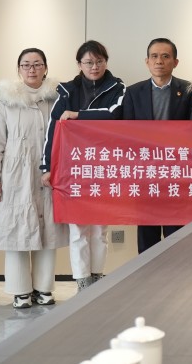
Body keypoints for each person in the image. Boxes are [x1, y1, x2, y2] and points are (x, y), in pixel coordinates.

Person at [0, 48, 68, 308]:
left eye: (37, 64)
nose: (32, 69)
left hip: (49, 174)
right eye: (26, 65)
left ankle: (43, 288)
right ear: (19, 69)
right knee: (17, 231)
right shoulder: (7, 100)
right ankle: (20, 291)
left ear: (45, 67)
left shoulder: (57, 98)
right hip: (16, 175)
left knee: (48, 230)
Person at [41, 40, 125, 291]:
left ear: (106, 62)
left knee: (100, 228)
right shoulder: (67, 90)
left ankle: (97, 277)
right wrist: (47, 166)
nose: (94, 66)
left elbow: (114, 115)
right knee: (78, 229)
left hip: (104, 166)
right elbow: (53, 130)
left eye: (99, 61)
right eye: (88, 62)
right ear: (79, 64)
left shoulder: (118, 87)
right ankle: (82, 281)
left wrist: (78, 115)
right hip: (74, 167)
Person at [123, 38, 192, 253]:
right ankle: (148, 274)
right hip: (146, 174)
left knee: (177, 235)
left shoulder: (189, 90)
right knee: (147, 237)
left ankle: (177, 273)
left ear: (175, 62)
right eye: (154, 56)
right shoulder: (133, 92)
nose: (159, 61)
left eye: (165, 56)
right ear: (147, 61)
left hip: (177, 174)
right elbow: (127, 134)